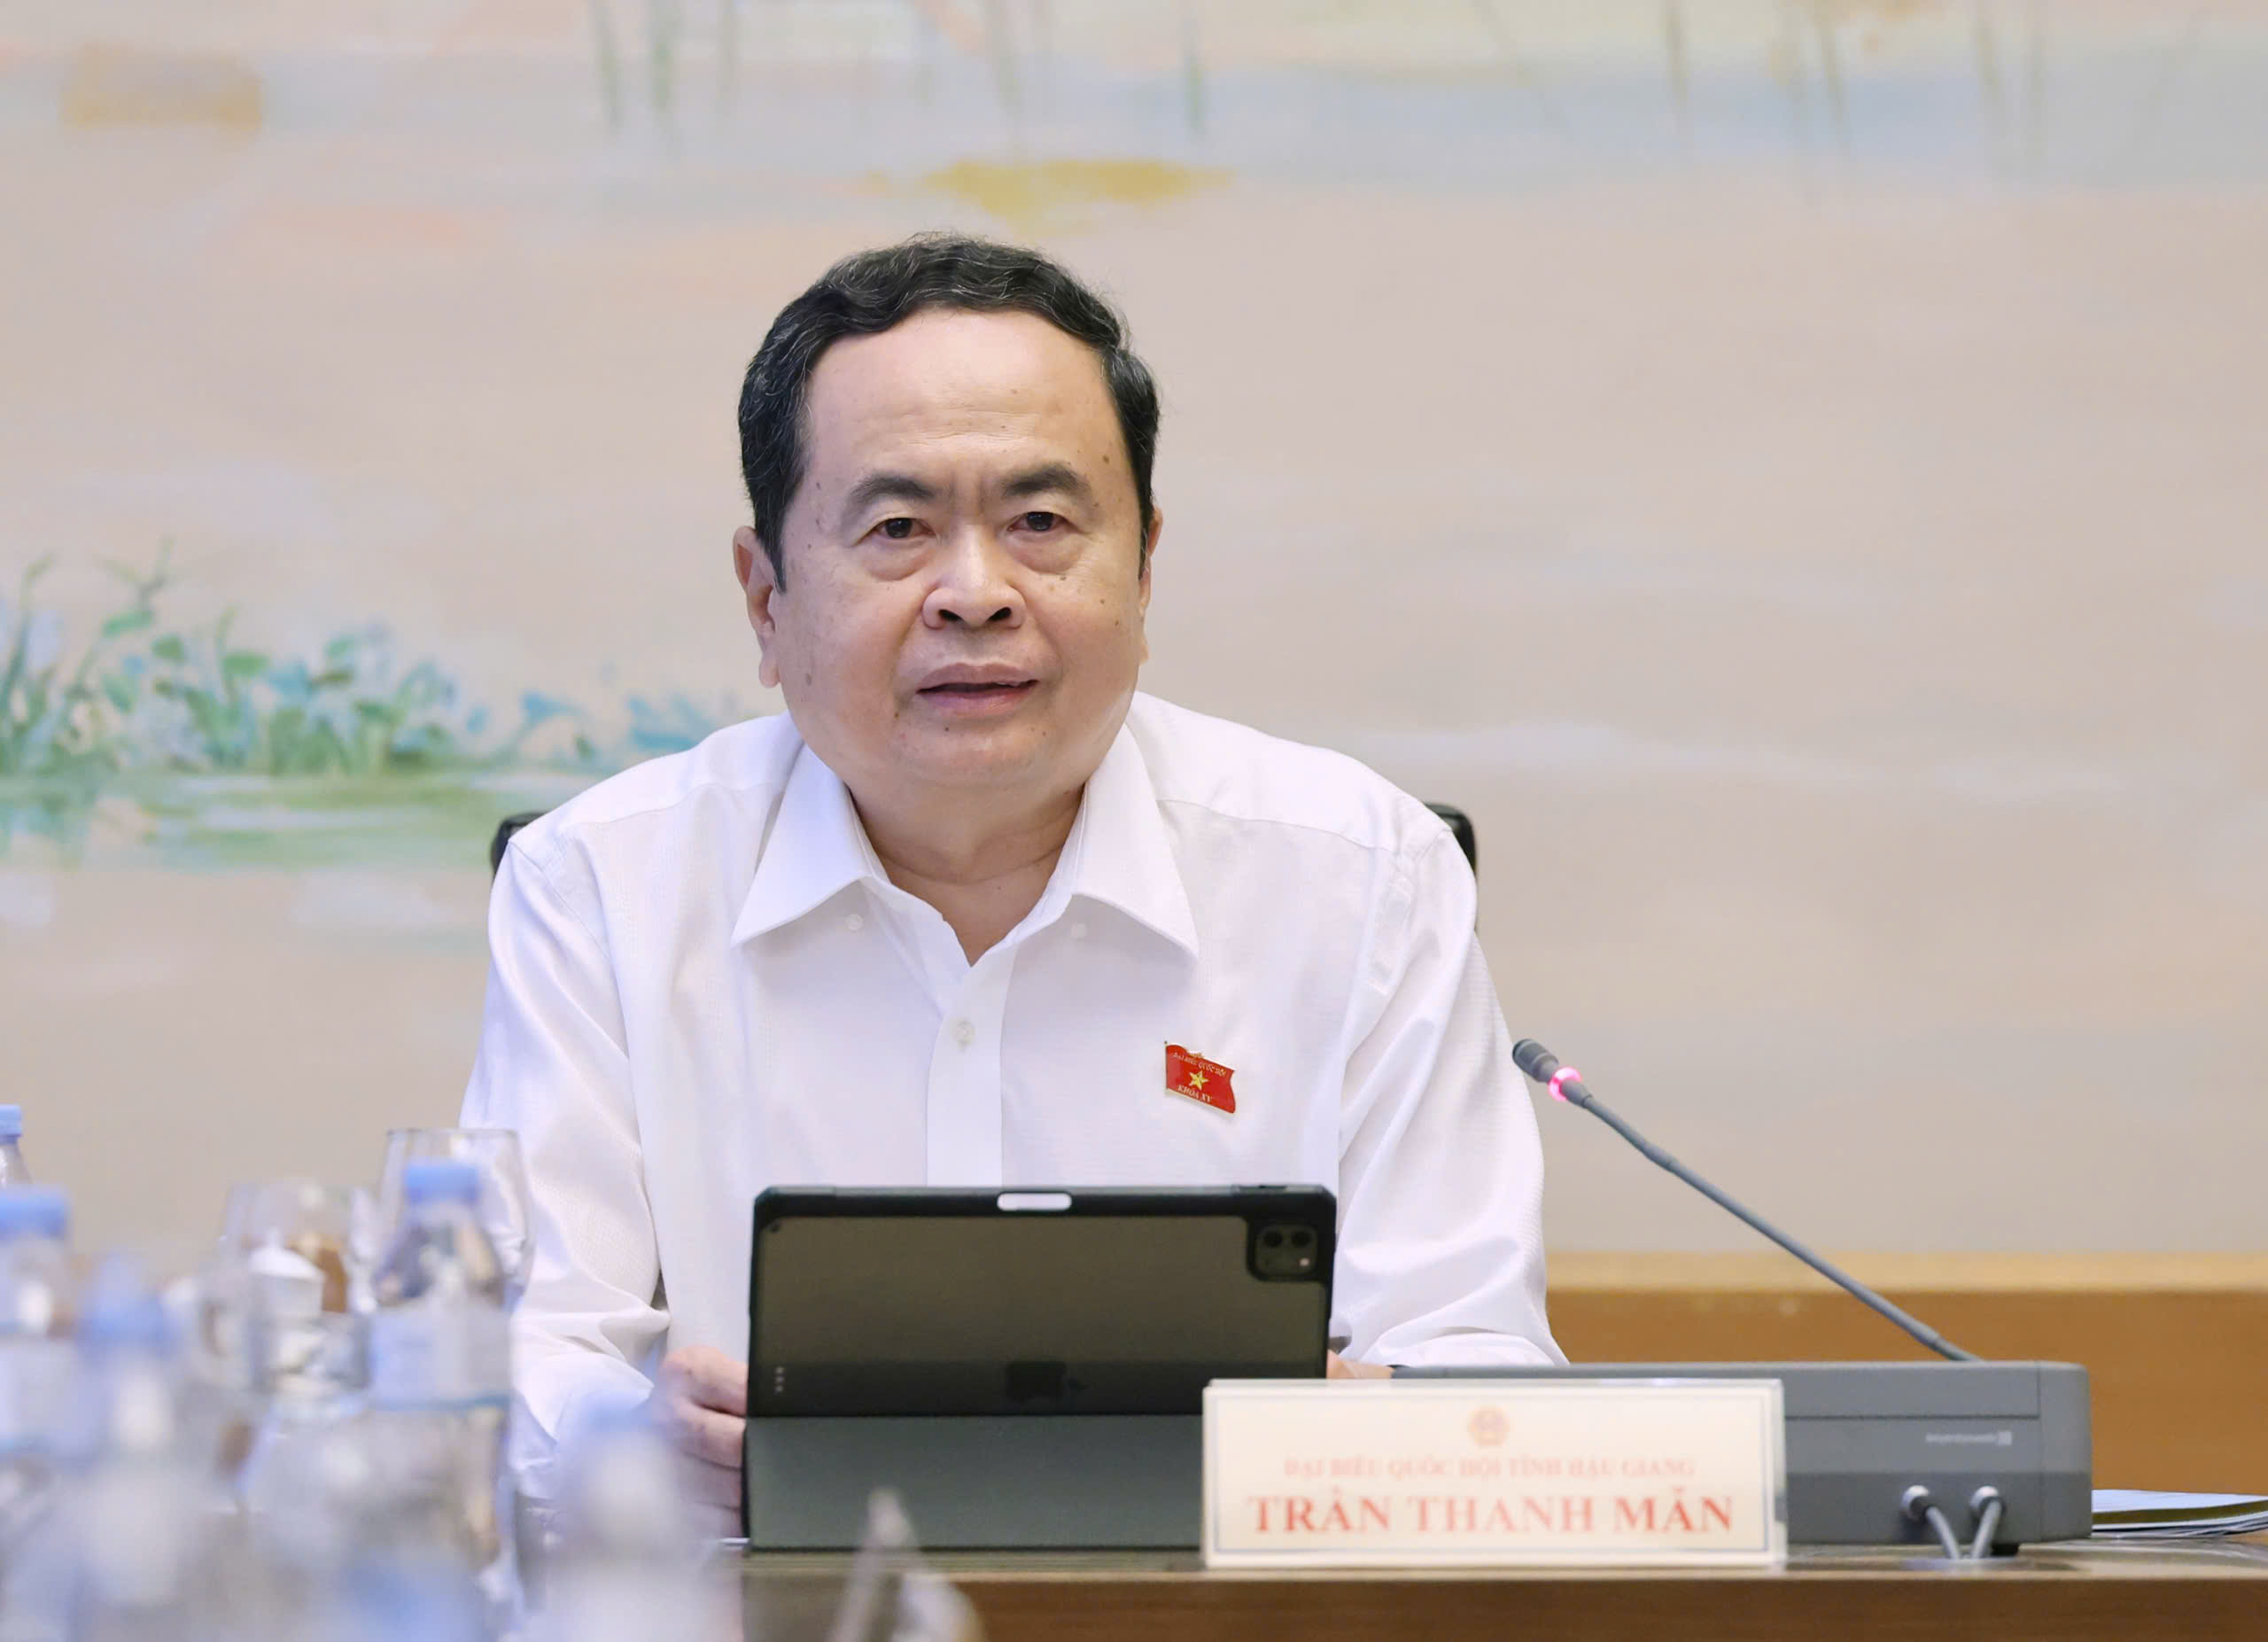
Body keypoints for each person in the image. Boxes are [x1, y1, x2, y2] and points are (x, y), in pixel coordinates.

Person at [463, 235, 1561, 1529]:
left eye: (1041, 524)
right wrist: (634, 1442)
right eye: (897, 529)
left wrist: (1353, 1433)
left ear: (1143, 570)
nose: (976, 595)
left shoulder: (1363, 879)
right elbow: (518, 1354)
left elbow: (1476, 1365)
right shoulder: (602, 886)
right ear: (765, 600)